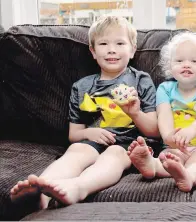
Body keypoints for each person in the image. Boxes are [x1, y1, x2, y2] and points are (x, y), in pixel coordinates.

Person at [10, 15, 160, 208]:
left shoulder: (141, 80)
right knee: (76, 150)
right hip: (91, 141)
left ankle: (77, 188)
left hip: (128, 145)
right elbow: (75, 134)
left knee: (114, 154)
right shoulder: (82, 87)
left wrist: (135, 113)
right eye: (103, 43)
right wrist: (89, 133)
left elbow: (154, 131)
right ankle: (40, 193)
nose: (111, 49)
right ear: (93, 51)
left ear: (132, 50)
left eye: (120, 43)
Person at [127, 32, 196, 192]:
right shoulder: (165, 89)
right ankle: (151, 165)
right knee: (168, 158)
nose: (186, 65)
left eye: (194, 61)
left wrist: (193, 129)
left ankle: (189, 176)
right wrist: (169, 137)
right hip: (176, 145)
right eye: (179, 61)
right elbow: (163, 116)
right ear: (170, 66)